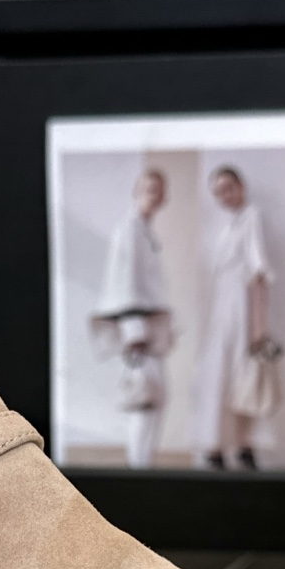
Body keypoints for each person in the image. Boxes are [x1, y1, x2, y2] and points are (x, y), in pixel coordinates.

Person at [89, 167, 175, 468]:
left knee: (154, 399)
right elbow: (124, 281)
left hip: (150, 327)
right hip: (138, 329)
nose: (155, 195)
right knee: (143, 400)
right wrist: (134, 333)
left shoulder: (144, 230)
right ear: (136, 192)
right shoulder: (130, 229)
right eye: (149, 188)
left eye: (159, 189)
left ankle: (144, 464)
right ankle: (140, 468)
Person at [191, 165, 274, 469]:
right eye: (218, 192)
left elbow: (258, 272)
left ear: (241, 186)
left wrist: (258, 327)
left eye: (228, 188)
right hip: (222, 309)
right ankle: (218, 445)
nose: (224, 196)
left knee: (242, 377)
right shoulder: (226, 227)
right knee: (219, 376)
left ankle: (243, 445)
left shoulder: (252, 216)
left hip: (242, 309)